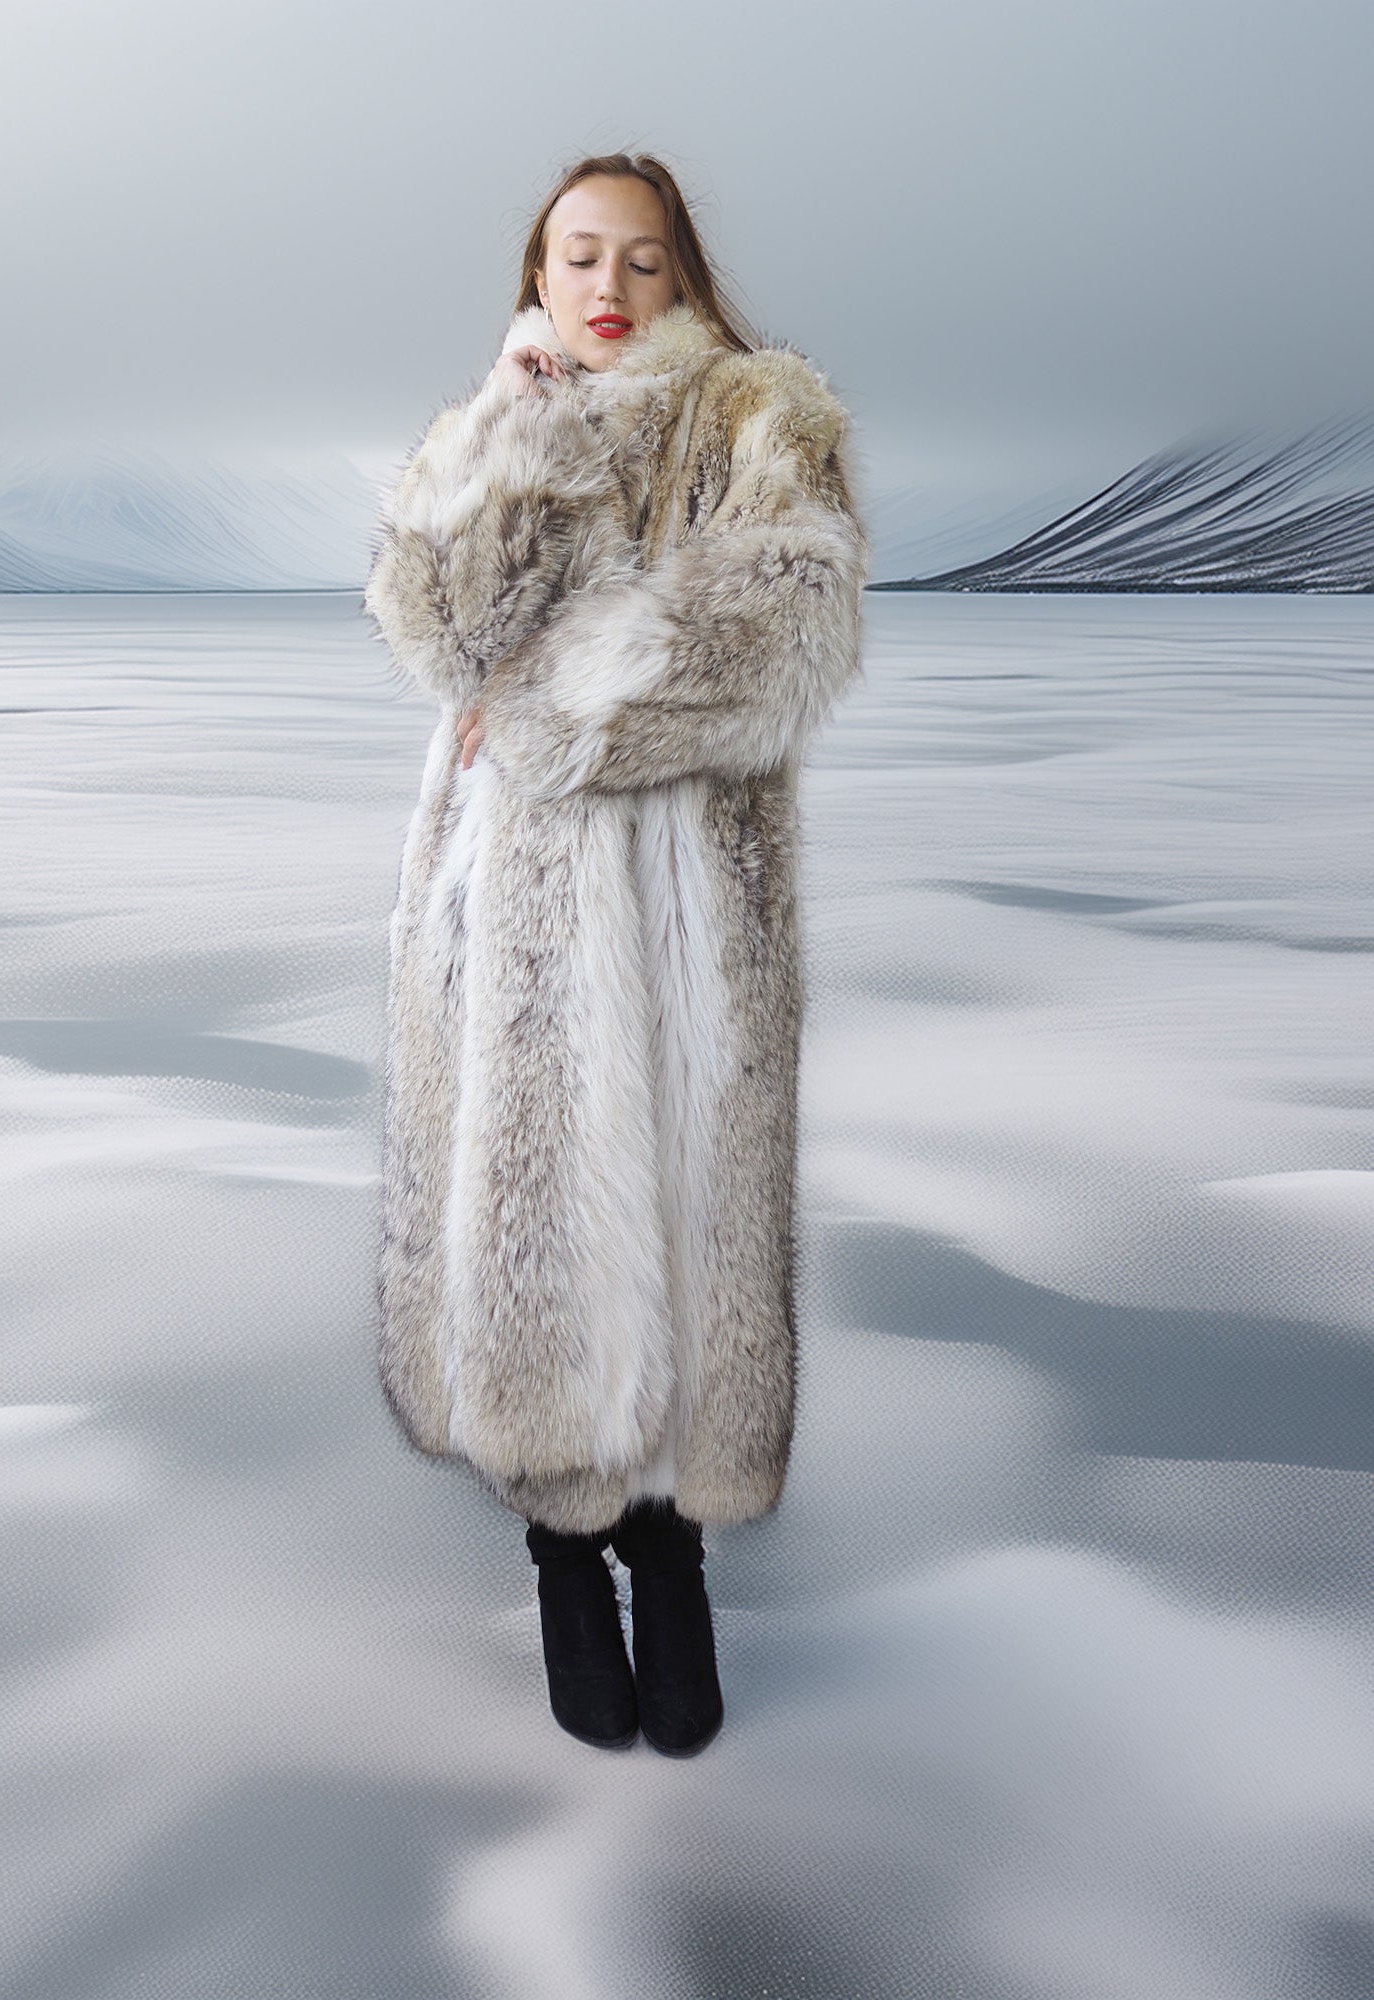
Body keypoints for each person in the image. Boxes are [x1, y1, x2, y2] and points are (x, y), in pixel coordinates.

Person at [363, 151, 869, 1755]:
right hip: (503, 922)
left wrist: (552, 707)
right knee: (536, 1217)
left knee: (684, 1213)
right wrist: (517, 437)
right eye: (576, 256)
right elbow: (440, 626)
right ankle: (565, 1546)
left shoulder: (757, 420)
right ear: (536, 273)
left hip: (691, 914)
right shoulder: (500, 425)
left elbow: (774, 633)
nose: (606, 287)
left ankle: (675, 1549)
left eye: (641, 261)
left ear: (687, 280)